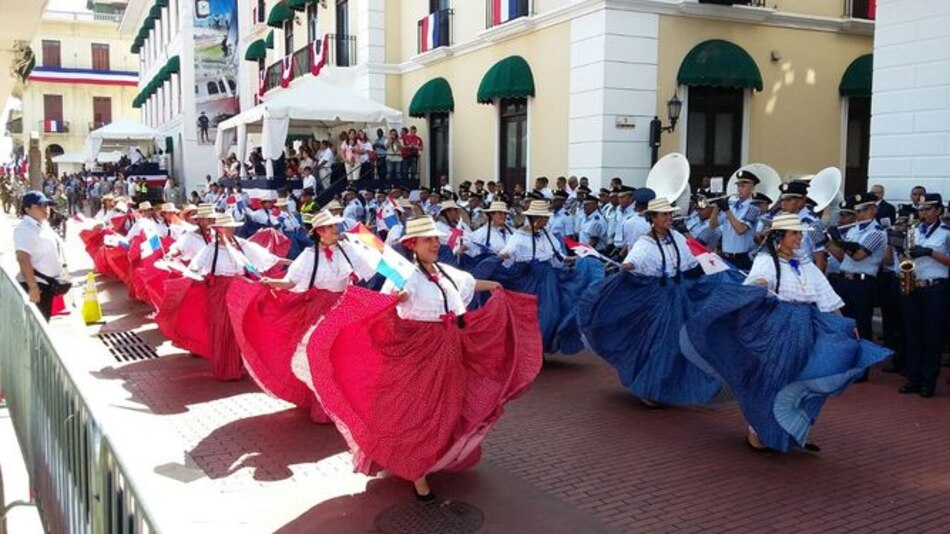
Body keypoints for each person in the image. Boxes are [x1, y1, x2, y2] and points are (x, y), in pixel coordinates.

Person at [303, 215, 539, 501]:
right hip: (418, 354)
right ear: (413, 244)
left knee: (448, 408)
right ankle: (417, 472)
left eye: (436, 239)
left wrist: (494, 286)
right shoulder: (404, 276)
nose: (435, 244)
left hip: (450, 349)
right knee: (419, 413)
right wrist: (397, 298)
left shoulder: (445, 272)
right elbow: (385, 306)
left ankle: (432, 455)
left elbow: (467, 282)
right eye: (428, 239)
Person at [679, 212, 887, 453]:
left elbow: (825, 295)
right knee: (774, 379)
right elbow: (757, 283)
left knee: (804, 380)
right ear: (780, 237)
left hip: (807, 325)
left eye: (800, 233)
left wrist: (847, 325)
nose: (800, 238)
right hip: (777, 326)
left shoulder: (805, 263)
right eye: (795, 233)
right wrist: (759, 284)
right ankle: (759, 429)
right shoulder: (767, 261)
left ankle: (795, 431)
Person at [156, 212, 282, 381]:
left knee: (239, 328)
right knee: (221, 327)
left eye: (232, 228)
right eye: (228, 228)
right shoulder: (210, 249)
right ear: (220, 230)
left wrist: (293, 263)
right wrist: (172, 260)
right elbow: (194, 268)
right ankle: (225, 369)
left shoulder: (242, 245)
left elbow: (267, 259)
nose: (231, 231)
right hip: (219, 291)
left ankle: (239, 366)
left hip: (240, 290)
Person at [898, 193, 949, 398]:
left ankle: (929, 381)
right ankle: (914, 377)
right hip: (913, 285)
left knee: (932, 335)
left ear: (938, 211)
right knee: (913, 333)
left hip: (935, 288)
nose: (923, 213)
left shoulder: (946, 232)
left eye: (928, 209)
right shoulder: (913, 230)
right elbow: (904, 256)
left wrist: (929, 253)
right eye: (920, 209)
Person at [14, 191, 65, 321]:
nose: (45, 209)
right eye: (40, 205)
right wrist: (33, 287)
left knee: (44, 322)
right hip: (38, 286)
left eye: (47, 205)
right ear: (27, 209)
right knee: (36, 326)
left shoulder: (42, 224)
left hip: (48, 285)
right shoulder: (25, 228)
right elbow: (23, 258)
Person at [709, 170, 760, 271]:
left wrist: (727, 210)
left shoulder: (753, 208)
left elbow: (740, 230)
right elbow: (713, 225)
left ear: (752, 187)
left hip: (741, 259)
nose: (739, 189)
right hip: (725, 256)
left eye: (743, 186)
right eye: (738, 185)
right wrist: (716, 207)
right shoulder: (731, 204)